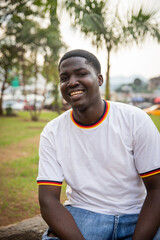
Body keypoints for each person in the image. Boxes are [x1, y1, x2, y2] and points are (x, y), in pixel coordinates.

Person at [37, 49, 160, 240]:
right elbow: (48, 200)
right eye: (64, 77)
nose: (72, 82)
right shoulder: (52, 132)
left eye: (81, 73)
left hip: (137, 215)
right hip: (83, 215)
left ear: (99, 79)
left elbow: (157, 189)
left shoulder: (135, 120)